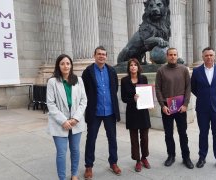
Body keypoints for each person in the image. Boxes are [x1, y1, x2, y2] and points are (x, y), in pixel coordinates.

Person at [81, 46, 121, 179]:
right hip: (95, 112)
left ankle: (113, 162)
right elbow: (84, 91)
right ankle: (88, 166)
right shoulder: (88, 72)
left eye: (104, 54)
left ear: (106, 56)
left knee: (112, 139)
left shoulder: (111, 70)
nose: (101, 56)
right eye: (99, 54)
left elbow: (114, 88)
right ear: (94, 55)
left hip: (110, 111)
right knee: (91, 139)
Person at [46, 54, 87, 180]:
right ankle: (62, 178)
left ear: (71, 65)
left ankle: (74, 174)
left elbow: (83, 100)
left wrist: (75, 118)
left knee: (75, 151)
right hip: (59, 123)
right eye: (62, 63)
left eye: (68, 63)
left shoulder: (78, 80)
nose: (65, 66)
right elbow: (50, 104)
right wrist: (63, 121)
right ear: (58, 65)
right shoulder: (52, 82)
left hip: (76, 122)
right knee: (61, 153)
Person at [191, 47, 216, 172]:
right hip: (202, 108)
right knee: (203, 134)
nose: (209, 57)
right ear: (202, 57)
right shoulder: (196, 71)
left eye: (211, 55)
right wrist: (205, 97)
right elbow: (193, 88)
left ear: (214, 56)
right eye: (206, 55)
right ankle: (202, 157)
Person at [155, 48, 194, 169]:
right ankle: (171, 155)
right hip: (167, 107)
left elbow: (188, 87)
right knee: (168, 134)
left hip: (181, 108)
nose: (172, 57)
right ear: (167, 56)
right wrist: (162, 105)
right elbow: (158, 89)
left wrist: (186, 105)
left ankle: (186, 157)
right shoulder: (161, 70)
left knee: (183, 133)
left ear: (177, 56)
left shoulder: (183, 69)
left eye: (174, 55)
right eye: (170, 55)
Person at [121, 58, 151, 172]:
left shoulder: (144, 78)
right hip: (132, 113)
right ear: (129, 68)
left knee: (144, 137)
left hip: (143, 112)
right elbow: (123, 98)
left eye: (135, 65)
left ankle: (144, 158)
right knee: (134, 139)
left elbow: (147, 93)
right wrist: (132, 99)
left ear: (138, 67)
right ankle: (137, 160)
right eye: (131, 65)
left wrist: (149, 102)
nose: (133, 67)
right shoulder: (124, 81)